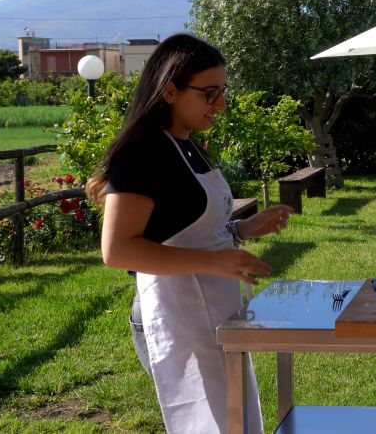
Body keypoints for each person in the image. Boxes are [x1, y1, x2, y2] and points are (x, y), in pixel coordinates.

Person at [85, 33, 293, 433]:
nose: (222, 105)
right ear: (170, 91)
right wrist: (212, 261)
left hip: (210, 313)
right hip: (174, 315)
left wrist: (241, 229)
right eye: (210, 94)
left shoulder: (187, 145)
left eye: (223, 92)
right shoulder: (144, 152)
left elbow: (186, 230)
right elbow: (117, 250)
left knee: (234, 421)